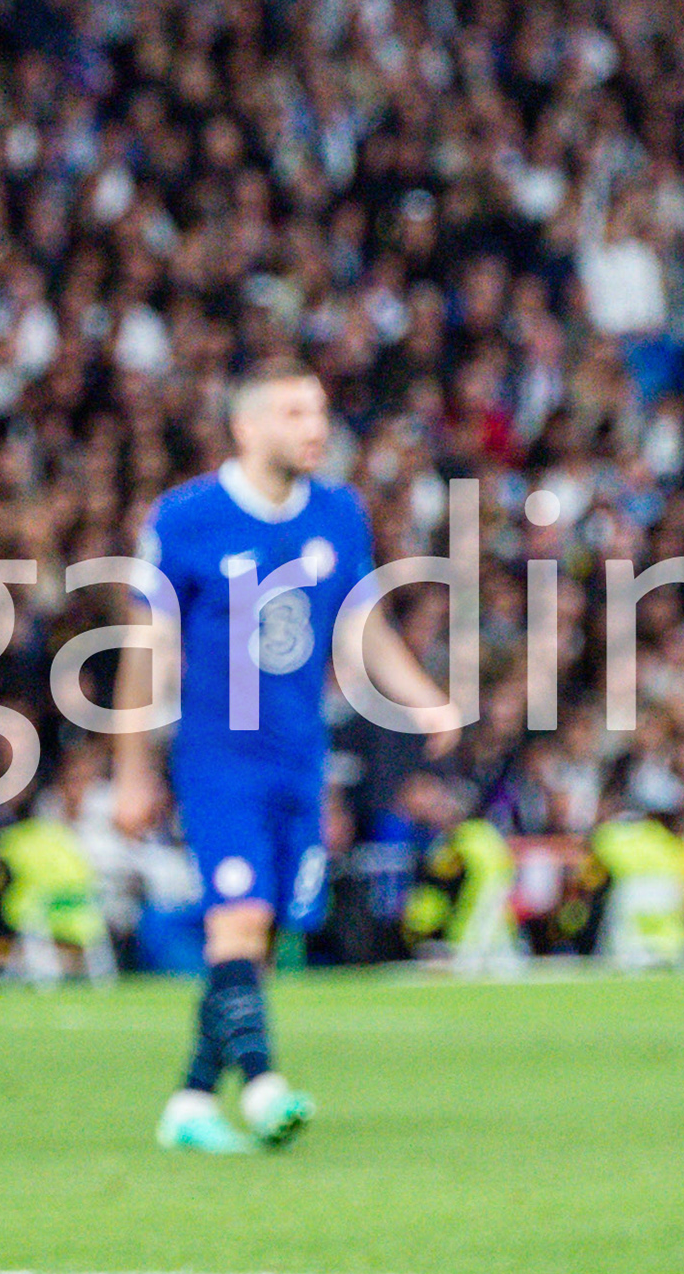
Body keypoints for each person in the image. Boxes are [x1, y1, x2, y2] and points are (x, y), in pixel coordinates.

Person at [109, 368, 463, 1154]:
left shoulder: (339, 513)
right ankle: (265, 1086)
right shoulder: (186, 517)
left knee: (262, 941)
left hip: (300, 760)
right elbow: (146, 644)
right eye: (295, 411)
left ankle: (191, 1101)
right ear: (246, 428)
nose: (316, 427)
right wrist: (132, 770)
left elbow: (362, 624)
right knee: (238, 921)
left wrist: (422, 697)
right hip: (219, 759)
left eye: (320, 411)